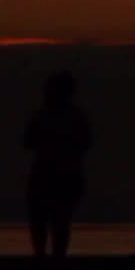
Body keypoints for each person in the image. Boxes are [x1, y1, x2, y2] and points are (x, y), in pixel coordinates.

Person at [24, 71, 91, 258]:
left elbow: (84, 143)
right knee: (48, 220)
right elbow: (28, 140)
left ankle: (52, 258)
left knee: (56, 220)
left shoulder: (70, 117)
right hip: (52, 173)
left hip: (60, 174)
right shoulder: (44, 115)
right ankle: (46, 257)